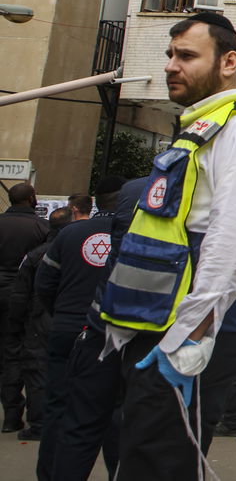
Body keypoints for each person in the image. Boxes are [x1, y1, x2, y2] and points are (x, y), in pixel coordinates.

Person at [98, 12, 236, 477]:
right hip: (153, 328)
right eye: (169, 56)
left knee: (160, 464)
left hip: (186, 336)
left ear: (229, 62)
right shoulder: (199, 130)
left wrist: (191, 336)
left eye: (186, 56)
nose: (170, 66)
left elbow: (235, 242)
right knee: (142, 456)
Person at [32, 175, 122, 475]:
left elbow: (44, 284)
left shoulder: (70, 234)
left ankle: (50, 472)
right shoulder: (132, 236)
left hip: (67, 328)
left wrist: (61, 313)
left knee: (58, 406)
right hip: (109, 332)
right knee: (112, 410)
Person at [6, 205, 67, 442]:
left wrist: (16, 324)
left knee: (36, 368)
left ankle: (37, 421)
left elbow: (21, 295)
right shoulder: (71, 249)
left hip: (38, 317)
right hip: (63, 316)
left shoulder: (36, 255)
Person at [0, 181, 48, 432]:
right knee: (23, 353)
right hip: (25, 297)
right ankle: (23, 411)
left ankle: (10, 409)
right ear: (31, 199)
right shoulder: (41, 227)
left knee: (7, 352)